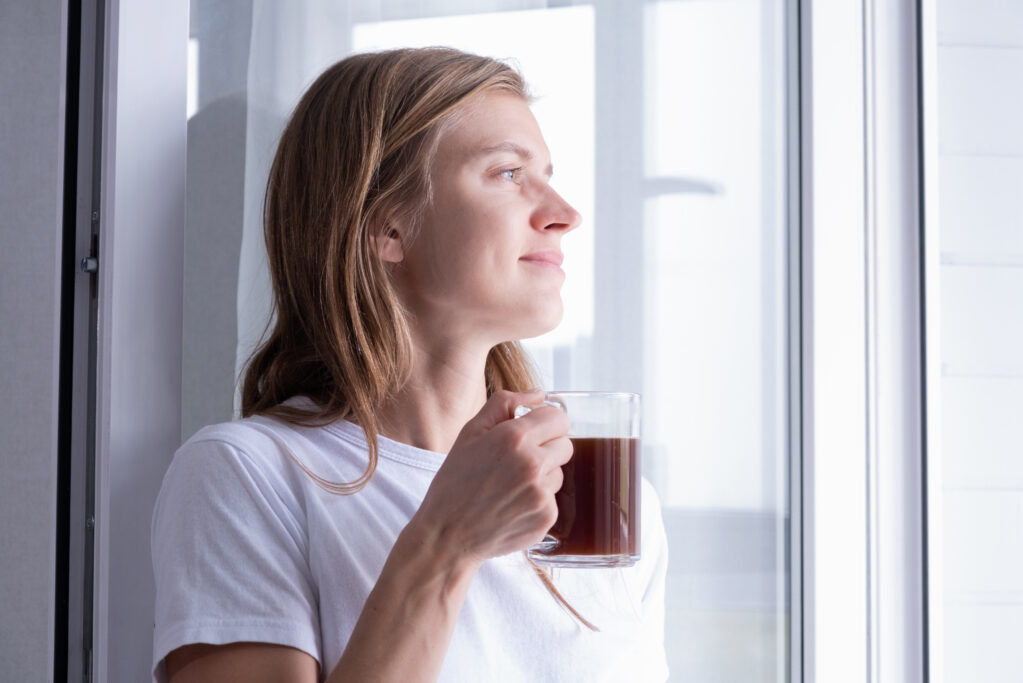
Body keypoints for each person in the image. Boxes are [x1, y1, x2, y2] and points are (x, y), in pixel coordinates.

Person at [151, 47, 668, 683]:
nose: (564, 213)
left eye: (548, 175)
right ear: (387, 227)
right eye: (508, 173)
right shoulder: (248, 475)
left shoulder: (607, 498)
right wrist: (447, 544)